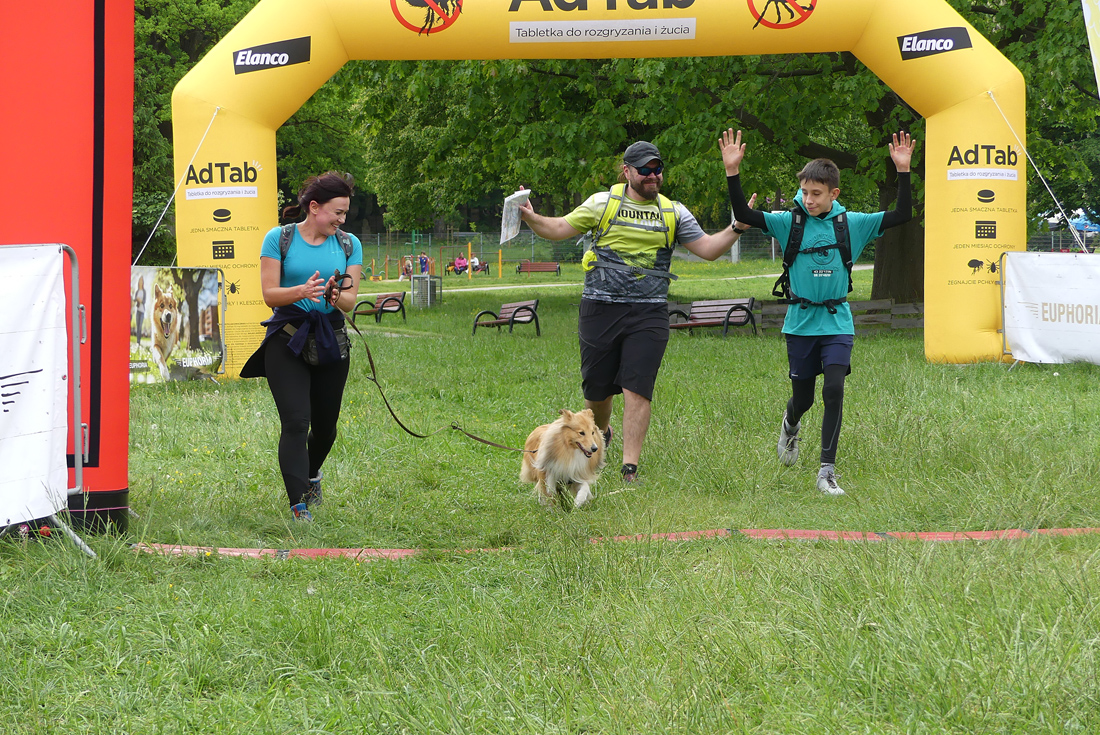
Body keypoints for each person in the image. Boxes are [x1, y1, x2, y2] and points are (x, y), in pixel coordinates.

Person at [518, 140, 753, 483]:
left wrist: (737, 227)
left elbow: (707, 249)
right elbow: (557, 229)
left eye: (657, 169)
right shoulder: (603, 203)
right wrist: (531, 216)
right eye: (645, 169)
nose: (653, 175)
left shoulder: (673, 212)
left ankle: (630, 468)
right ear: (627, 171)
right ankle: (602, 431)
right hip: (600, 309)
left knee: (637, 388)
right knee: (597, 391)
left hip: (649, 312)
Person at [720, 128, 914, 495]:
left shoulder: (853, 223)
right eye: (805, 192)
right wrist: (733, 171)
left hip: (837, 321)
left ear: (833, 194)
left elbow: (903, 213)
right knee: (805, 398)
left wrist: (902, 170)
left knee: (834, 389)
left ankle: (827, 472)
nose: (808, 200)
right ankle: (790, 424)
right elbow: (744, 213)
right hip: (800, 323)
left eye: (816, 194)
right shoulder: (788, 222)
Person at [240, 171, 364, 521]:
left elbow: (351, 301)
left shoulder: (349, 244)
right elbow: (269, 294)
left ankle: (311, 475)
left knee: (325, 429)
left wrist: (334, 294)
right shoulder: (278, 239)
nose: (342, 220)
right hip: (287, 339)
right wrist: (302, 292)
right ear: (314, 207)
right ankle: (299, 506)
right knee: (296, 422)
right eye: (337, 212)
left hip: (331, 340)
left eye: (345, 213)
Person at [133, 275, 146, 346]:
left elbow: (144, 301)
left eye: (142, 280)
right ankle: (137, 342)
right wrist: (136, 299)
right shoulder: (137, 291)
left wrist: (140, 300)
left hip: (142, 311)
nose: (141, 281)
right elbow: (134, 300)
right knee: (137, 327)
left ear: (143, 282)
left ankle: (139, 341)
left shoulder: (144, 291)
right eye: (140, 280)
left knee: (140, 326)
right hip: (137, 310)